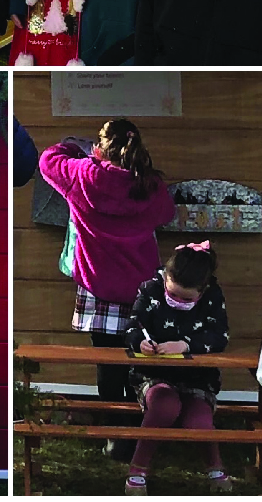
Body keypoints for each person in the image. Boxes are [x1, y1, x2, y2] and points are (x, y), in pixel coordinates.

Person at [38, 119, 175, 442]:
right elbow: (166, 213)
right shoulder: (151, 186)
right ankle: (141, 430)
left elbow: (47, 161)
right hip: (142, 290)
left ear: (99, 149)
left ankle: (114, 434)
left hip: (96, 289)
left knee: (106, 361)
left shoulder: (82, 175)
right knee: (140, 363)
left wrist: (74, 147)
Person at [124, 242, 231, 495]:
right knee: (164, 406)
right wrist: (140, 341)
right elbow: (131, 326)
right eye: (172, 294)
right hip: (153, 374)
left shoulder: (213, 296)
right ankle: (137, 470)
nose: (178, 301)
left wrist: (185, 344)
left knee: (200, 421)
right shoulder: (150, 289)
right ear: (166, 277)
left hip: (198, 378)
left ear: (203, 290)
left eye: (187, 298)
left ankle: (215, 467)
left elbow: (220, 337)